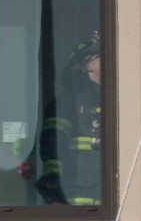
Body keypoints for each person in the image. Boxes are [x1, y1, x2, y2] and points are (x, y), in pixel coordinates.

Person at [32, 32, 106, 207]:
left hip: (109, 195)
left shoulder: (115, 100)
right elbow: (53, 141)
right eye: (98, 54)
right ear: (85, 65)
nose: (106, 59)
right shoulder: (69, 102)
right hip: (77, 198)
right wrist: (54, 179)